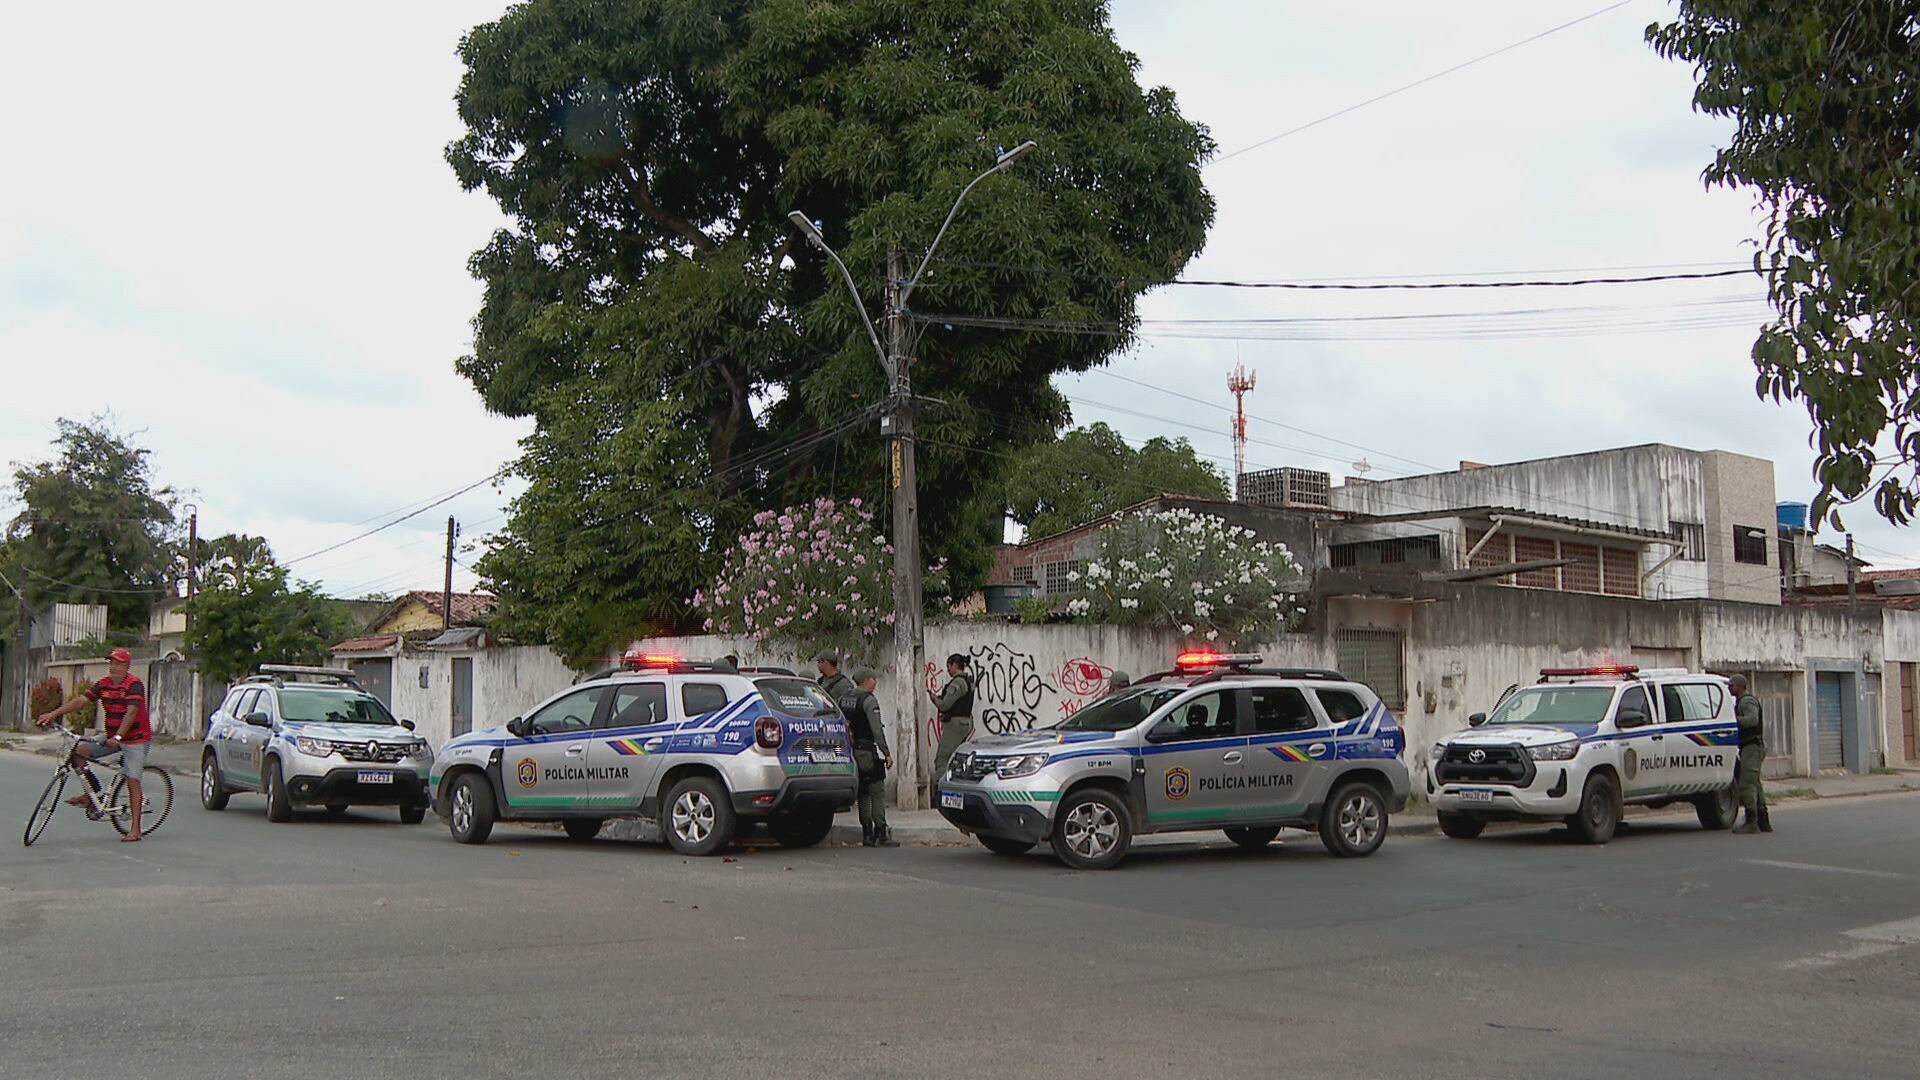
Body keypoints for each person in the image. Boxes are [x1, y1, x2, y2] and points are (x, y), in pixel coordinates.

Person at [35, 647, 151, 841]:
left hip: (135, 738)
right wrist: (54, 714)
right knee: (78, 753)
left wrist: (119, 738)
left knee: (133, 780)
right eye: (111, 663)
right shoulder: (103, 685)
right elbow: (81, 700)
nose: (113, 667)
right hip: (111, 735)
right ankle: (93, 793)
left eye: (118, 663)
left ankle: (135, 829)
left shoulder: (134, 685)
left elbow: (131, 713)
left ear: (126, 666)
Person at [843, 667, 897, 847]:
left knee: (863, 792)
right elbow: (876, 730)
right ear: (866, 680)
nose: (876, 682)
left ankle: (867, 833)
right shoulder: (868, 700)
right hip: (866, 751)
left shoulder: (845, 699)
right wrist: (887, 753)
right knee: (877, 790)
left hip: (851, 750)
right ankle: (881, 831)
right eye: (874, 679)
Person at [1729, 674, 1771, 834]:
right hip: (1749, 747)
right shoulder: (1741, 701)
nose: (1730, 688)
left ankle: (1751, 820)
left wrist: (1734, 720)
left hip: (1752, 747)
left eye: (1732, 685)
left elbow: (1752, 720)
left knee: (1747, 784)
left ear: (1740, 686)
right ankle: (1763, 820)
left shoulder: (1747, 701)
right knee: (1755, 784)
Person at [928, 652, 975, 786]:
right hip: (965, 723)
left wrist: (934, 699)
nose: (948, 670)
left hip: (955, 724)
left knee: (942, 759)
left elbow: (945, 705)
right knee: (958, 758)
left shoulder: (958, 683)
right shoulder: (968, 681)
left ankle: (940, 788)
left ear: (954, 665)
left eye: (948, 666)